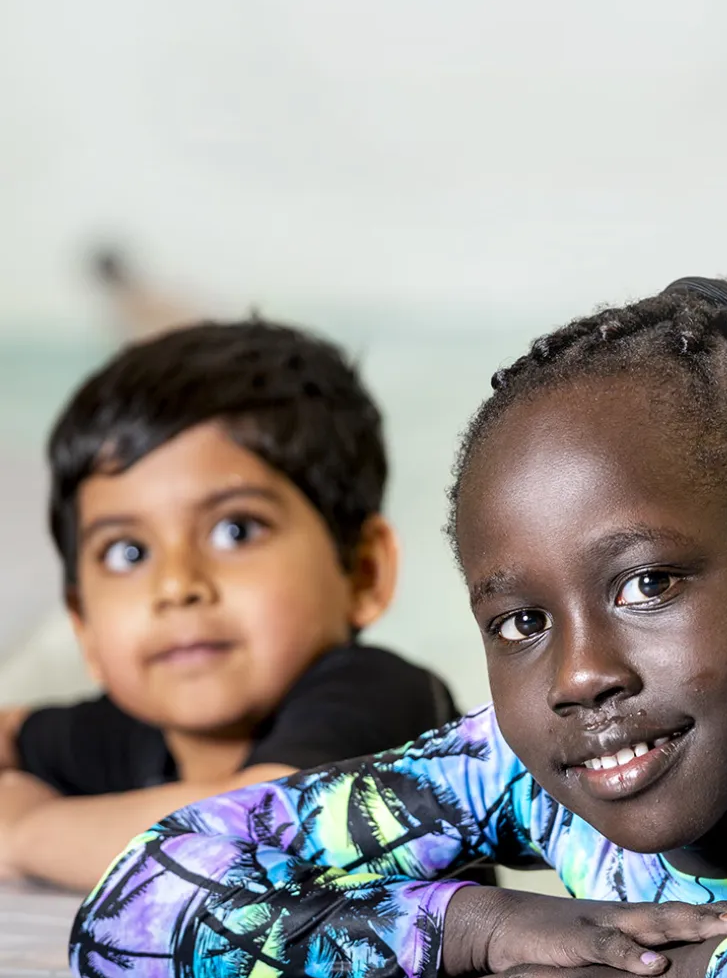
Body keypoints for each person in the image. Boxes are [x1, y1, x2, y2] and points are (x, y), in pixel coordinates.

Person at [68, 278, 727, 978]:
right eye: (521, 622)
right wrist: (473, 929)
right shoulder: (519, 772)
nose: (581, 675)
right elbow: (134, 906)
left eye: (646, 584)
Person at [0, 319, 456, 890]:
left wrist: (26, 831)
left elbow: (256, 835)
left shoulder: (383, 702)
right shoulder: (128, 732)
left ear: (363, 572)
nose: (177, 585)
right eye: (128, 551)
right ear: (84, 626)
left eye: (236, 530)